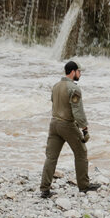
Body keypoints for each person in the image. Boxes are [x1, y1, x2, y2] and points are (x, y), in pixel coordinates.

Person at [41, 60, 99, 198]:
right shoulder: (74, 89)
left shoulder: (55, 86)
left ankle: (45, 189)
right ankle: (84, 186)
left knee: (51, 157)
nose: (80, 74)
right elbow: (77, 111)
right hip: (67, 124)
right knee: (81, 153)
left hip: (54, 123)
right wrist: (84, 128)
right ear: (73, 72)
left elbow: (54, 102)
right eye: (79, 71)